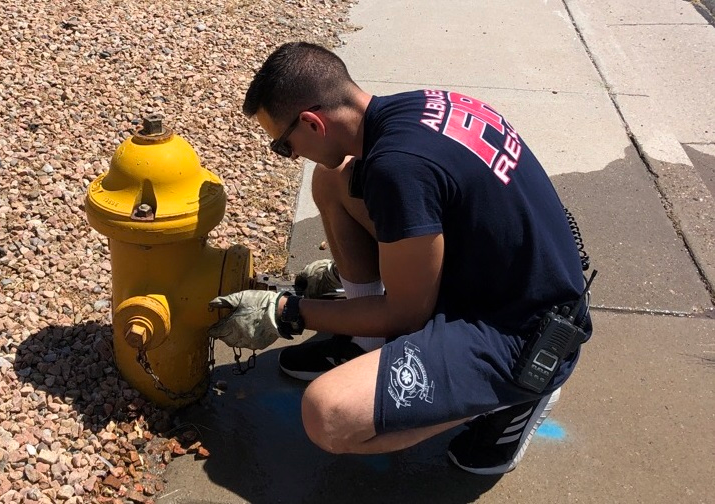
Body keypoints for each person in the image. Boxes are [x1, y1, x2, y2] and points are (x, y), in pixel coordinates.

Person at [208, 41, 592, 475]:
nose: (290, 156)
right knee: (333, 180)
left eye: (283, 145)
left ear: (313, 123)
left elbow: (406, 315)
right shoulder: (420, 106)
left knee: (328, 414)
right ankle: (364, 343)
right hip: (513, 280)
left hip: (521, 331)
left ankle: (519, 393)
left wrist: (288, 312)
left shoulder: (397, 169)